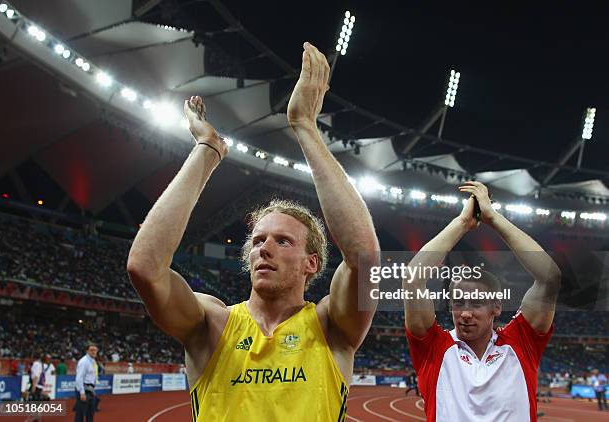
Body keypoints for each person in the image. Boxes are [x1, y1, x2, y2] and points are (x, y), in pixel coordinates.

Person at [127, 41, 379, 421]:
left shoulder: (332, 327)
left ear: (312, 263)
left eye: (282, 241)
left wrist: (306, 128)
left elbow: (364, 258)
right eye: (258, 240)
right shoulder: (212, 323)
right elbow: (145, 268)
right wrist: (206, 150)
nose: (264, 248)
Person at [403, 182, 561, 422]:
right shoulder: (433, 348)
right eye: (458, 302)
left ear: (496, 307)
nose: (465, 313)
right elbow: (413, 278)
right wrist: (462, 223)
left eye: (476, 303)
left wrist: (493, 218)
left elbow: (550, 277)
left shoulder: (520, 342)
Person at [74, 343, 99, 422]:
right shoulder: (84, 362)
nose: (94, 352)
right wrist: (82, 392)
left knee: (90, 414)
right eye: (91, 350)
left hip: (90, 390)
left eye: (95, 350)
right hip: (84, 390)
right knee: (80, 415)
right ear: (87, 351)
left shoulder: (93, 361)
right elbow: (79, 378)